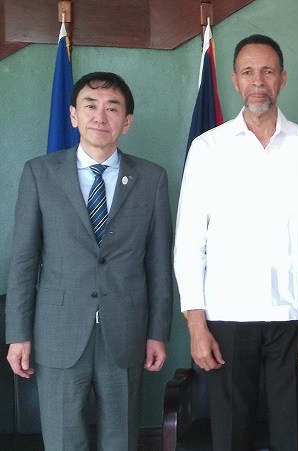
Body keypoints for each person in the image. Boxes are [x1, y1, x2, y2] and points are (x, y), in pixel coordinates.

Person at [174, 34, 298, 450]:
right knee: (231, 435)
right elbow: (189, 241)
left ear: (282, 78)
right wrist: (195, 323)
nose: (258, 81)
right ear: (234, 80)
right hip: (226, 316)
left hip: (295, 316)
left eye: (267, 71)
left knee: (292, 435)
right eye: (248, 72)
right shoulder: (207, 149)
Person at [5, 71, 173, 450]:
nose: (100, 116)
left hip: (126, 331)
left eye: (112, 108)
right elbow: (23, 263)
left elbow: (159, 265)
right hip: (58, 332)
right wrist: (18, 334)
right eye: (90, 106)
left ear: (126, 122)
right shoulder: (40, 174)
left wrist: (157, 331)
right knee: (64, 441)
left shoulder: (151, 179)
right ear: (73, 115)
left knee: (121, 440)